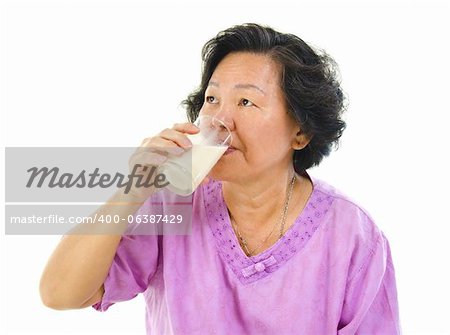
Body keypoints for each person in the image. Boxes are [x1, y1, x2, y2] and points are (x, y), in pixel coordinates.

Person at [39, 23, 401, 334]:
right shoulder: (173, 202)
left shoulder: (353, 236)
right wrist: (131, 190)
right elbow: (60, 293)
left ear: (300, 133)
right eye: (212, 99)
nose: (220, 119)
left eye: (246, 102)